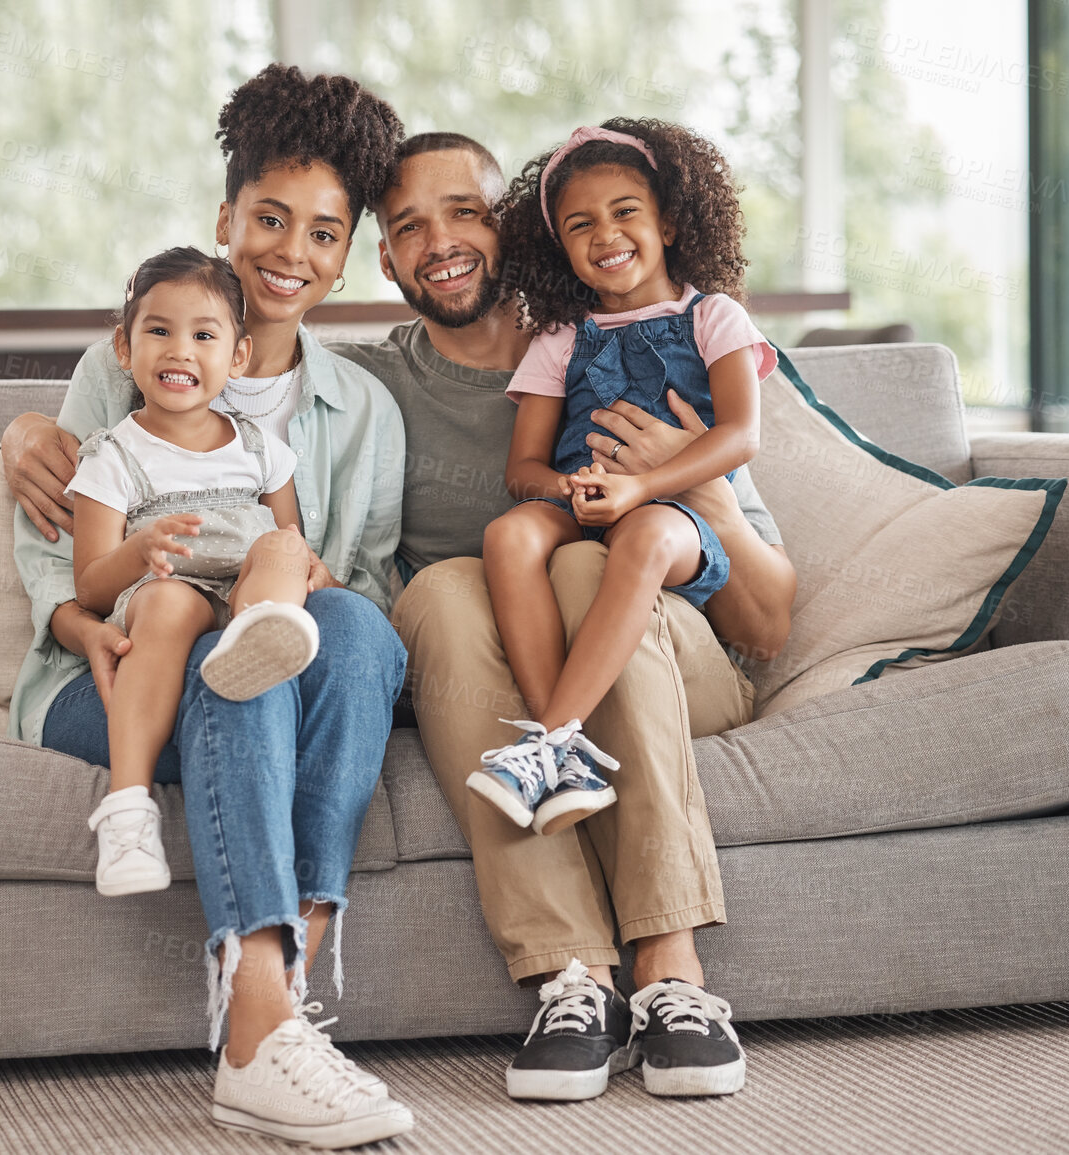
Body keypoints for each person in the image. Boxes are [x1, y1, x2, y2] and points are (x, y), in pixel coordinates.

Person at [328, 132, 795, 1102]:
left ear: (507, 227)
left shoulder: (672, 344)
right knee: (441, 595)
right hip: (500, 665)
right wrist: (44, 427)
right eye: (408, 225)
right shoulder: (367, 386)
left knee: (586, 562)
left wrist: (680, 475)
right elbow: (211, 359)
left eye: (464, 211)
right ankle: (570, 977)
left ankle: (672, 971)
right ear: (384, 259)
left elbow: (768, 620)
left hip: (674, 659)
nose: (440, 241)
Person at [4, 66, 413, 1148]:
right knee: (231, 655)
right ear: (226, 217)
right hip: (119, 668)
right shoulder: (131, 362)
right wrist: (79, 623)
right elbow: (58, 542)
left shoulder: (361, 407)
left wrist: (299, 584)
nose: (292, 251)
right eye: (269, 218)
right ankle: (260, 1031)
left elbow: (362, 579)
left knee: (340, 632)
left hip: (264, 642)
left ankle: (287, 953)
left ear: (348, 250)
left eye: (324, 232)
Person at [467, 119, 776, 844]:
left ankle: (546, 736)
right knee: (506, 535)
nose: (604, 234)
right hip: (588, 502)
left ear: (667, 220)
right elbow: (523, 470)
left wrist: (642, 487)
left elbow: (739, 435)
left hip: (674, 516)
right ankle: (561, 755)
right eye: (580, 224)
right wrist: (567, 490)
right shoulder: (560, 337)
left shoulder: (714, 316)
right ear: (560, 248)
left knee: (640, 533)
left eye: (624, 212)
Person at [67, 247, 322, 898]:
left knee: (284, 550)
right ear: (124, 348)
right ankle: (127, 811)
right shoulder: (113, 456)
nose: (179, 351)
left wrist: (302, 570)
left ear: (236, 356)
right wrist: (137, 549)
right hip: (169, 590)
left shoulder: (262, 450)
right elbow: (91, 586)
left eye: (203, 335)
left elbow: (288, 537)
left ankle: (262, 635)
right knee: (167, 603)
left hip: (243, 594)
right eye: (158, 331)